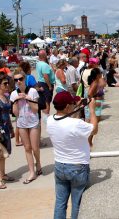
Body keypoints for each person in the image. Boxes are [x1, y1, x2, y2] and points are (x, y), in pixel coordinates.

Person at [47, 91, 98, 219]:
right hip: (77, 167)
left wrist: (76, 106)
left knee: (60, 203)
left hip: (60, 165)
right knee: (77, 204)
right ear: (66, 107)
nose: (74, 104)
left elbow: (66, 121)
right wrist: (91, 110)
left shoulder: (49, 120)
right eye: (71, 103)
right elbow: (94, 129)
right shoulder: (76, 124)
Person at [10, 70, 42, 184]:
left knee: (35, 147)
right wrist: (15, 101)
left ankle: (38, 162)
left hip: (33, 122)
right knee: (27, 148)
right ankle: (31, 172)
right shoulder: (13, 93)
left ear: (24, 79)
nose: (18, 82)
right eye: (16, 80)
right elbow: (15, 113)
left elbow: (36, 109)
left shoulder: (32, 91)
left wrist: (27, 98)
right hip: (21, 123)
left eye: (20, 79)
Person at [36, 50, 55, 116]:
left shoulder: (38, 63)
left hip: (40, 83)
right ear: (44, 56)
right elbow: (45, 76)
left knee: (43, 100)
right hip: (45, 84)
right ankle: (46, 117)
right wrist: (49, 86)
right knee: (47, 101)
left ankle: (45, 116)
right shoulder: (45, 65)